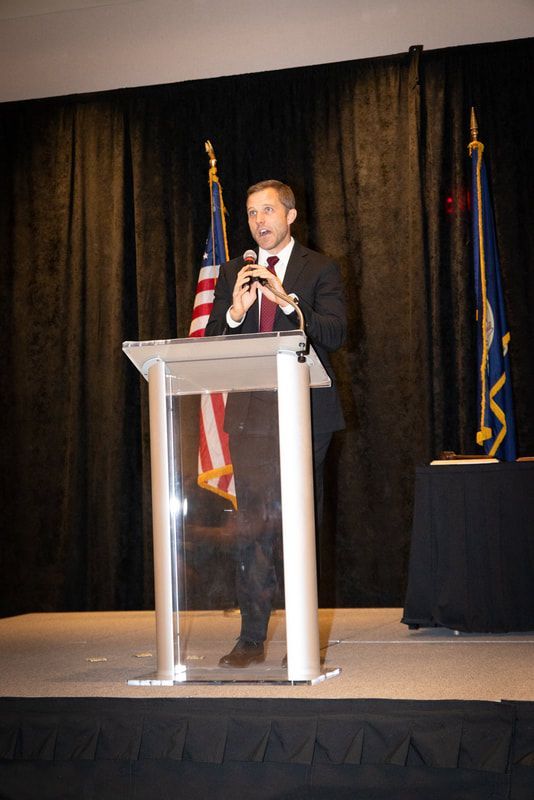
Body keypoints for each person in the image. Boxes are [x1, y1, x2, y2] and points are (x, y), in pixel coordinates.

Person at [205, 179, 346, 668]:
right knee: (254, 529)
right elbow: (211, 341)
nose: (258, 220)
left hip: (306, 412)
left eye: (267, 210)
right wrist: (237, 312)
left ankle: (303, 638)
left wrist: (288, 301)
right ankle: (250, 639)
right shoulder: (232, 273)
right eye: (250, 213)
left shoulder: (319, 268)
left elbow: (336, 331)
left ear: (290, 215)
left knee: (299, 525)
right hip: (250, 417)